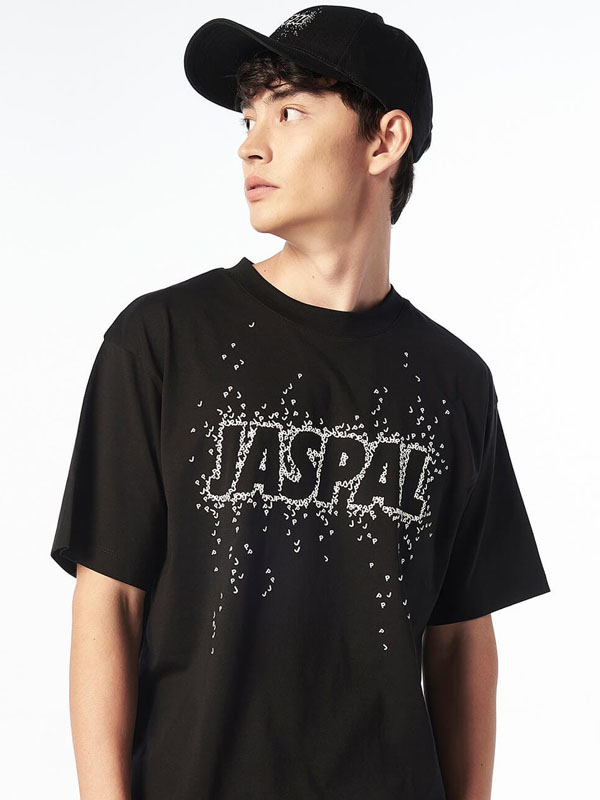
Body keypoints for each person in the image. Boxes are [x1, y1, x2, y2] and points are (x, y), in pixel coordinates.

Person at [51, 6, 551, 800]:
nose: (251, 144)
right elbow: (107, 602)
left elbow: (460, 639)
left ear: (384, 141)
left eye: (289, 112)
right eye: (249, 118)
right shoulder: (163, 341)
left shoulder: (453, 381)